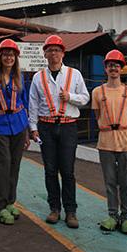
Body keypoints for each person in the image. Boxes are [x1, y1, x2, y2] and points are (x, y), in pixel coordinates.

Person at [29, 35, 89, 228]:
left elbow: (85, 98)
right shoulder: (38, 77)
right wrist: (33, 128)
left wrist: (69, 96)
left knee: (68, 171)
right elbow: (33, 104)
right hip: (46, 127)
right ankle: (54, 208)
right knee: (50, 170)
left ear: (63, 53)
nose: (53, 53)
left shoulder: (75, 74)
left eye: (57, 50)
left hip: (67, 126)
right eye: (50, 50)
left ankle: (71, 211)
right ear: (45, 53)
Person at [0, 39, 30, 225]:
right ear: (0, 57)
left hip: (18, 125)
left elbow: (24, 105)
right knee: (4, 165)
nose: (9, 58)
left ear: (16, 58)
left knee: (15, 165)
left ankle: (10, 201)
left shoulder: (20, 77)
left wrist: (26, 132)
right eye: (6, 55)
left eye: (12, 55)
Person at [91, 50, 127, 235]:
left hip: (125, 142)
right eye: (110, 65)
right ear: (105, 68)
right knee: (110, 181)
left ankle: (126, 217)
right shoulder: (97, 92)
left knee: (125, 182)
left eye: (117, 65)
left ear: (121, 68)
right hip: (105, 142)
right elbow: (98, 117)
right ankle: (112, 215)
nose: (114, 68)